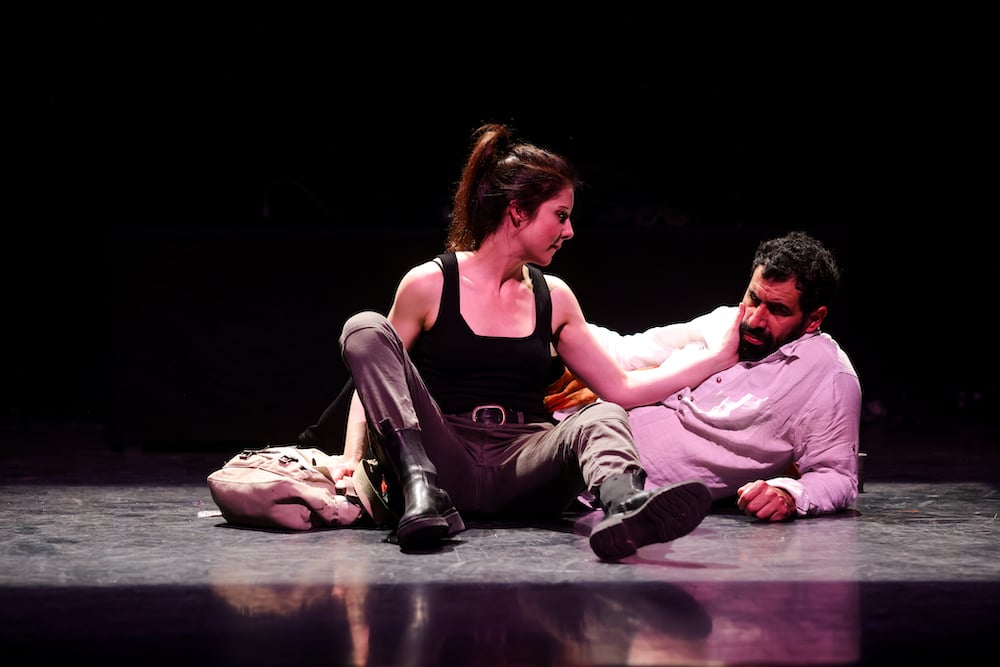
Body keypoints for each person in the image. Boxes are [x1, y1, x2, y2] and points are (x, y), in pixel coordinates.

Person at [324, 123, 743, 561]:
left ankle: (626, 508)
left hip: (524, 466)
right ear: (518, 211)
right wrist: (352, 457)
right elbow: (378, 382)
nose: (570, 230)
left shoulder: (554, 297)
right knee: (365, 327)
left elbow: (621, 388)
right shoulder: (430, 283)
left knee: (602, 413)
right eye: (560, 215)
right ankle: (420, 490)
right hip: (445, 461)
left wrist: (717, 358)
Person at [545, 231, 862, 522]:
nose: (755, 319)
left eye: (778, 310)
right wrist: (547, 316)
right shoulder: (722, 321)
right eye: (753, 299)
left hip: (604, 493)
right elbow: (627, 351)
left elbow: (837, 475)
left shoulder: (827, 375)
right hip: (558, 436)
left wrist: (788, 495)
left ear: (814, 318)